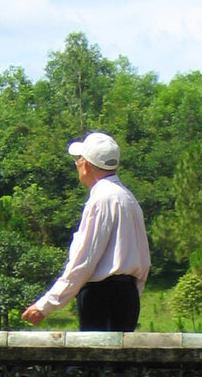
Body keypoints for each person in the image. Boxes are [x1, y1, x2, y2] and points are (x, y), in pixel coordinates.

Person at [21, 131, 150, 331]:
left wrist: (45, 305)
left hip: (101, 296)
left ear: (87, 165)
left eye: (79, 159)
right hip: (128, 295)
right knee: (122, 361)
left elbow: (84, 261)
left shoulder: (101, 199)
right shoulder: (129, 198)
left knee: (93, 359)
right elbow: (144, 260)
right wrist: (133, 294)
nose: (77, 163)